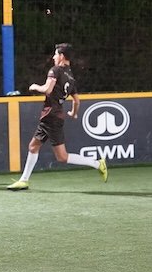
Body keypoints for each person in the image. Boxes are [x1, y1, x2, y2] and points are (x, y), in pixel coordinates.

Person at [7, 43, 108, 191]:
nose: (53, 57)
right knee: (33, 146)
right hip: (54, 116)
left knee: (62, 157)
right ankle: (24, 180)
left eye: (55, 54)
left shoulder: (55, 70)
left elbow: (47, 89)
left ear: (61, 56)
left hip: (51, 116)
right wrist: (73, 113)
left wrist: (34, 86)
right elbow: (77, 101)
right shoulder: (71, 77)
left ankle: (98, 164)